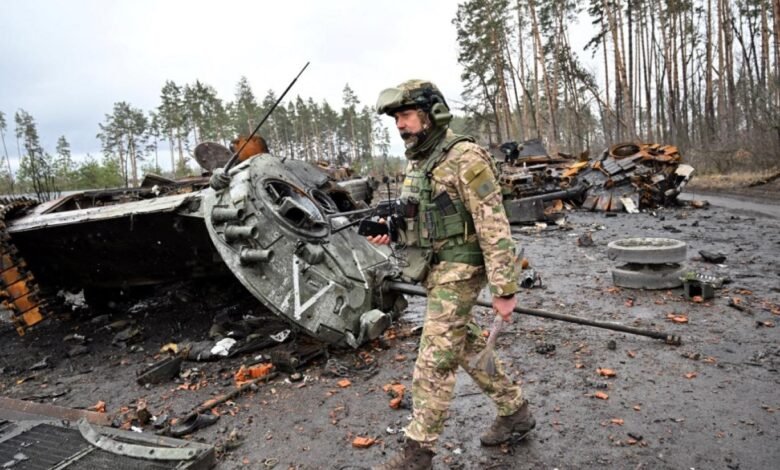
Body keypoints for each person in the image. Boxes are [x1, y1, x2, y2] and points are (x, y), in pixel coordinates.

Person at [369, 80, 535, 470]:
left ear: (432, 114)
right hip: (435, 266)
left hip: (461, 267)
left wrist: (504, 287)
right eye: (396, 118)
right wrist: (389, 228)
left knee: (434, 359)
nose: (400, 125)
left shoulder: (465, 157)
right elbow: (424, 215)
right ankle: (515, 411)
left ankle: (417, 454)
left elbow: (494, 225)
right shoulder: (420, 160)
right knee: (467, 345)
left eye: (406, 116)